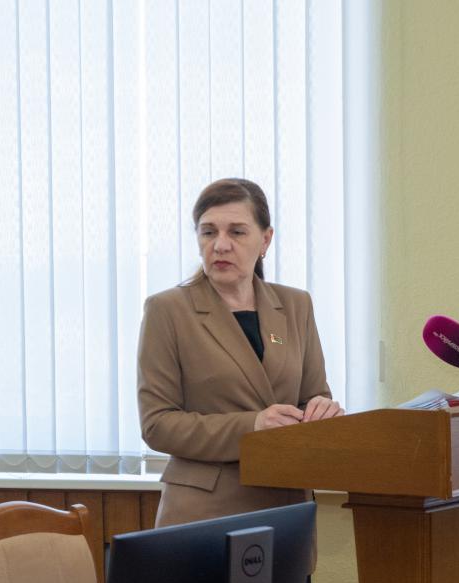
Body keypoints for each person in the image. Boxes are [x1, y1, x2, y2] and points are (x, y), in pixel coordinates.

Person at [138, 178, 344, 528]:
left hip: (286, 507)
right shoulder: (167, 310)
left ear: (265, 240)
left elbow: (313, 395)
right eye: (208, 232)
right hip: (204, 514)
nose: (220, 245)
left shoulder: (296, 305)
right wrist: (253, 425)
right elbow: (157, 424)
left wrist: (321, 410)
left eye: (236, 232)